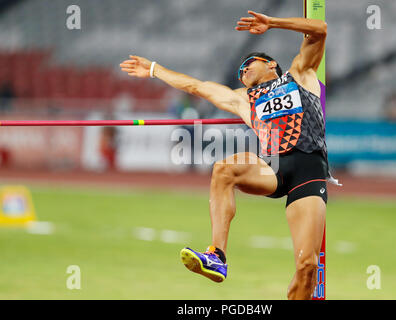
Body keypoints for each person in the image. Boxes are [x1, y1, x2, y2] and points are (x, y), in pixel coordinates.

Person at [120, 10, 329, 300]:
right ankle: (217, 255)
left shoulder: (300, 74)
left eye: (248, 64)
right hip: (274, 168)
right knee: (223, 168)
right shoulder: (244, 100)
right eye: (239, 71)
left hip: (309, 169)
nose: (242, 71)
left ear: (271, 64)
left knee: (306, 267)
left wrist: (273, 23)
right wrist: (154, 69)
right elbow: (195, 86)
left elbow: (319, 29)